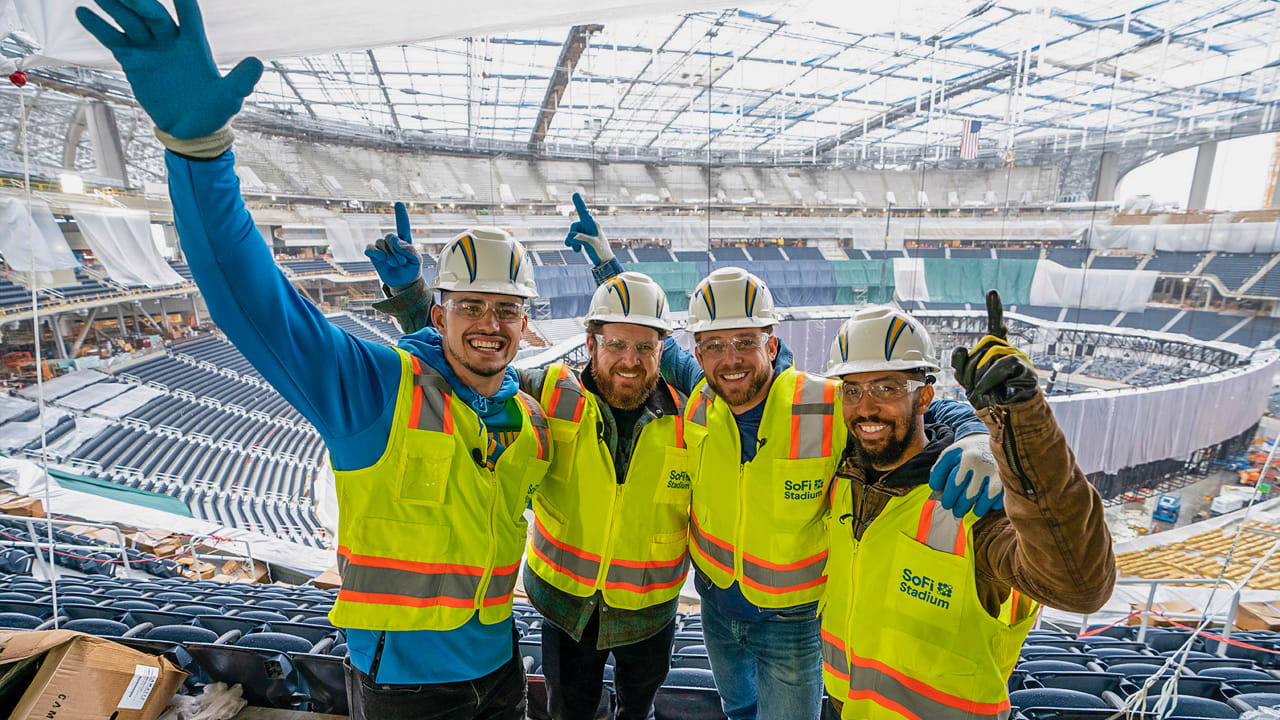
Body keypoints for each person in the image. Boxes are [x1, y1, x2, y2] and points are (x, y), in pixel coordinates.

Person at [76, 3, 549, 717]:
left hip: (501, 665)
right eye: (472, 306)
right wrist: (199, 153)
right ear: (442, 310)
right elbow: (253, 301)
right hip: (405, 687)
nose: (491, 324)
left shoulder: (525, 417)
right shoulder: (373, 390)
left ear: (525, 324)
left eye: (507, 309)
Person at [562, 195, 1001, 720]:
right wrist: (610, 272)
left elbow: (906, 406)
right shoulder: (703, 392)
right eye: (716, 345)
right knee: (739, 709)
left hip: (792, 621)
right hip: (717, 608)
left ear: (771, 345)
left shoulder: (822, 403)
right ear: (700, 354)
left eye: (745, 342)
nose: (731, 359)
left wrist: (976, 437)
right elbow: (640, 339)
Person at [371, 251, 693, 720]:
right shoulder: (549, 393)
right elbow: (466, 367)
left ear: (663, 351)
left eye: (645, 347)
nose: (630, 360)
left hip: (650, 613)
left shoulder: (695, 421)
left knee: (637, 710)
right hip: (566, 608)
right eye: (617, 344)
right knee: (569, 711)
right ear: (590, 343)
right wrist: (412, 300)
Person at [820, 294, 1116, 719]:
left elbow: (1080, 585)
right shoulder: (845, 478)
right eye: (853, 390)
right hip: (841, 707)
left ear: (923, 397)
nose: (866, 406)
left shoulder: (973, 498)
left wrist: (1023, 429)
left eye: (886, 387)